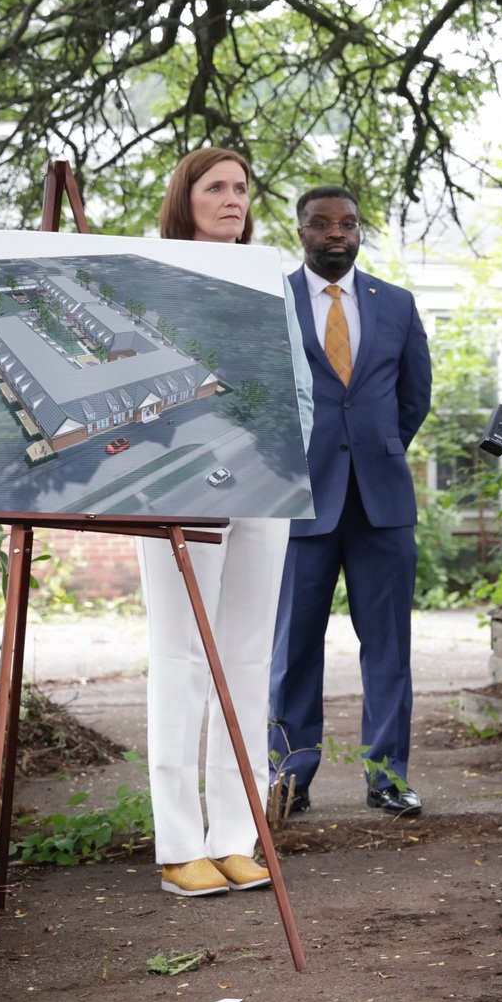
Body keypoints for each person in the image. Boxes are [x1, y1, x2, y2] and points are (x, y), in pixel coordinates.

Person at [140, 147, 291, 897]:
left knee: (248, 661)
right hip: (184, 480)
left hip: (267, 478)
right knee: (181, 658)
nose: (232, 198)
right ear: (186, 198)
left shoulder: (273, 273)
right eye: (216, 187)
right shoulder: (154, 275)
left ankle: (236, 834)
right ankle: (177, 845)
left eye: (241, 187)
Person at [270, 186, 433, 818]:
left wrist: (377, 448)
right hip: (300, 498)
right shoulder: (273, 301)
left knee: (389, 646)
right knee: (295, 647)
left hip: (382, 502)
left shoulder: (395, 304)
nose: (337, 233)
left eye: (348, 223)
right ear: (302, 231)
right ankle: (291, 776)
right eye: (322, 224)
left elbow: (413, 397)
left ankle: (386, 775)